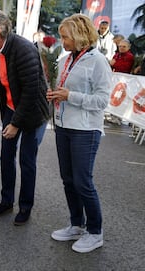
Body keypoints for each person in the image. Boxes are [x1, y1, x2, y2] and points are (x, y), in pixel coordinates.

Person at [0, 9, 50, 225]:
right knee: (7, 156)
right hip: (13, 108)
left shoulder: (23, 49)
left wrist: (15, 124)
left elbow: (30, 92)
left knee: (27, 161)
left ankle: (25, 207)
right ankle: (6, 201)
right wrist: (8, 118)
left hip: (33, 111)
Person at [46, 14, 112, 253]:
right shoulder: (65, 59)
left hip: (85, 129)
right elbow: (64, 88)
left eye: (66, 37)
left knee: (83, 182)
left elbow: (103, 101)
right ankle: (76, 224)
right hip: (64, 126)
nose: (62, 41)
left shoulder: (98, 61)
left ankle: (95, 232)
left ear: (80, 35)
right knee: (68, 180)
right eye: (62, 36)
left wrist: (70, 96)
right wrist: (55, 95)